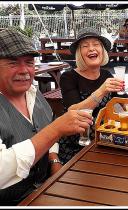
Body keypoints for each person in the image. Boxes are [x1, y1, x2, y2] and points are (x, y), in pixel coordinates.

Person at [0, 28, 93, 205]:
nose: (24, 70)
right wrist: (57, 129)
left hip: (45, 188)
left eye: (29, 62)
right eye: (13, 63)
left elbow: (48, 130)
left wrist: (54, 160)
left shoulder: (34, 94)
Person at [58, 27, 127, 164]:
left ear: (102, 51)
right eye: (85, 46)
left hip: (103, 141)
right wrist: (101, 91)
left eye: (96, 44)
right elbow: (73, 110)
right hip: (77, 146)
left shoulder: (107, 75)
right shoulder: (69, 77)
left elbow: (124, 103)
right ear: (79, 53)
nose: (91, 49)